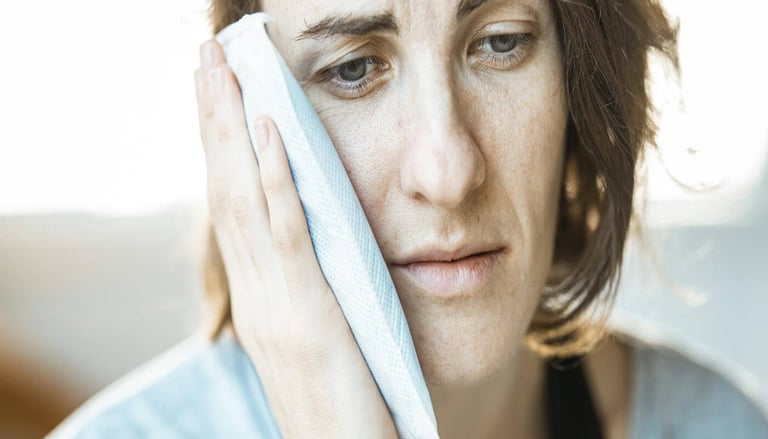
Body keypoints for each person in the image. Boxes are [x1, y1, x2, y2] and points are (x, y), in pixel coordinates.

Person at [51, 0, 768, 437]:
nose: (448, 170)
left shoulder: (716, 425)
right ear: (249, 106)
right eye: (354, 68)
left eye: (501, 41)